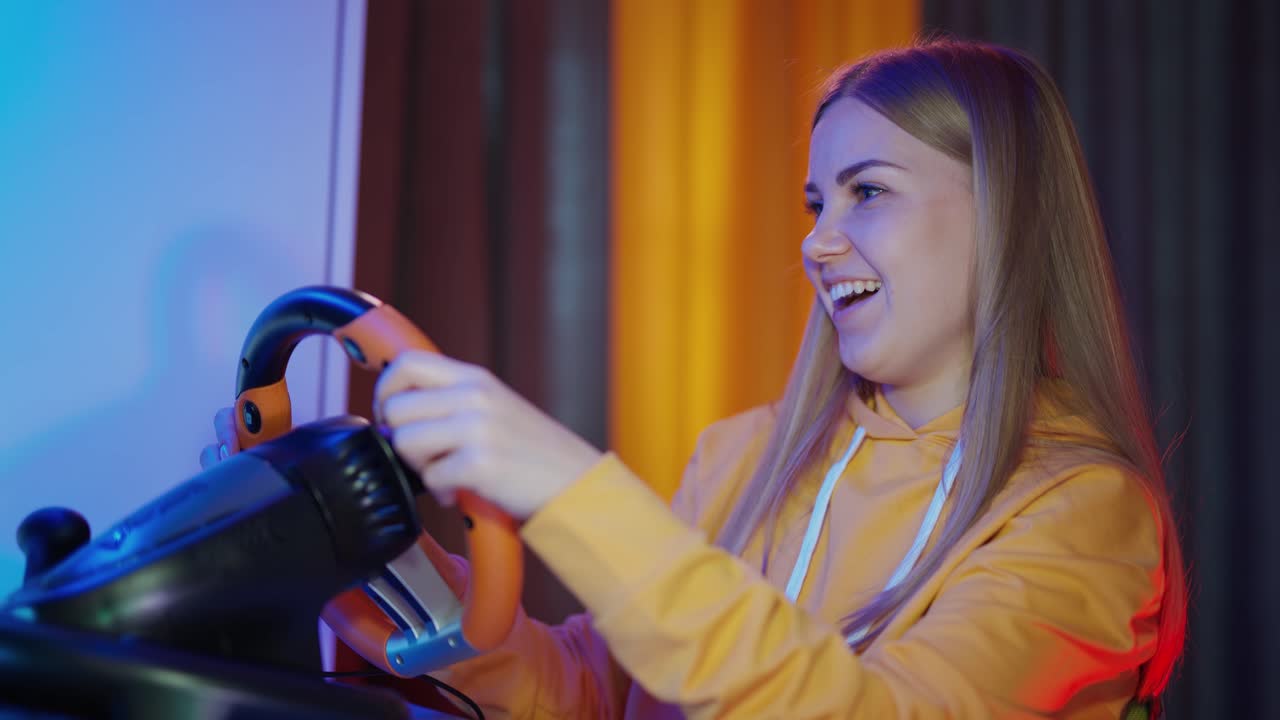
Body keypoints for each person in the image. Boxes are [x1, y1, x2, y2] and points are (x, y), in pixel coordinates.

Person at [204, 39, 1186, 719]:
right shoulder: (747, 451)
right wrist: (352, 546)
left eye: (866, 193)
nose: (816, 242)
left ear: (1000, 217)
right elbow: (593, 691)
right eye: (814, 203)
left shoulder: (1082, 511)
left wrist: (572, 491)